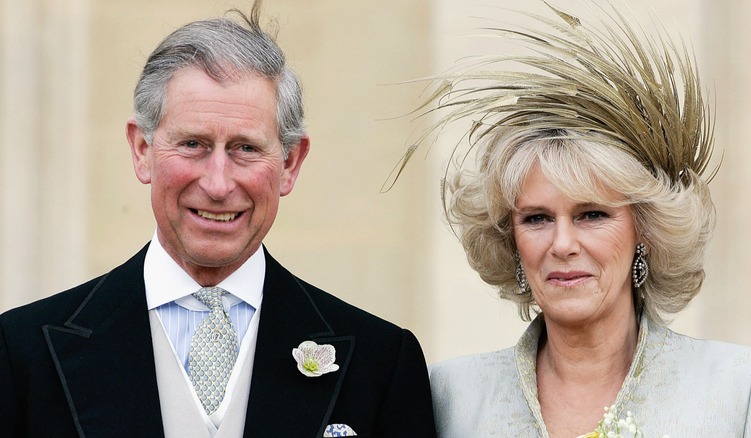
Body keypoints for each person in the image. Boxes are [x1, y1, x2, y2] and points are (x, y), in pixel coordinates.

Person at [0, 2, 436, 437]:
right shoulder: (21, 353)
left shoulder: (381, 364)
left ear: (290, 163)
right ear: (141, 150)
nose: (218, 183)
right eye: (193, 143)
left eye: (246, 147)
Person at [419, 3, 751, 437]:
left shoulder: (739, 388)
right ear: (510, 239)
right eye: (536, 219)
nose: (563, 243)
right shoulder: (449, 396)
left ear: (643, 229)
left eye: (592, 214)